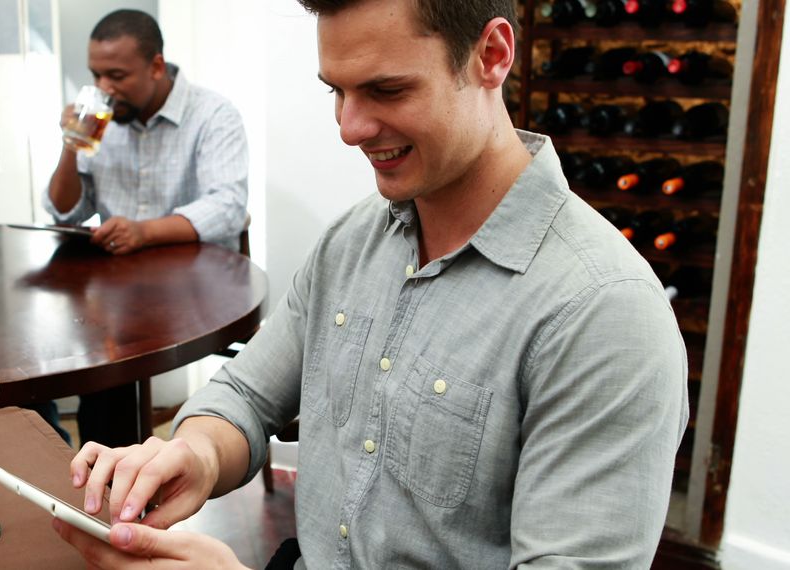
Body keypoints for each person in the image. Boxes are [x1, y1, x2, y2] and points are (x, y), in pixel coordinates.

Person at [51, 0, 690, 568]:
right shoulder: (351, 243)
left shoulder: (603, 316)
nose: (349, 128)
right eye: (337, 91)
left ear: (491, 56)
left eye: (386, 90)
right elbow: (245, 394)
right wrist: (195, 455)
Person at [43, 9, 250, 449]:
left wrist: (144, 232)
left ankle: (126, 480)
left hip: (196, 285)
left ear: (156, 66)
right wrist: (69, 145)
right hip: (122, 290)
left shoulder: (213, 115)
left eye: (116, 75)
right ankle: (109, 478)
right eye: (96, 75)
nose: (103, 89)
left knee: (109, 350)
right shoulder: (102, 121)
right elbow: (65, 213)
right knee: (86, 344)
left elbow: (228, 206)